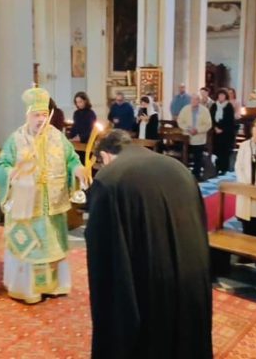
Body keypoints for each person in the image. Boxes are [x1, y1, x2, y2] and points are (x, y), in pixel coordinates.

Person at [86, 129, 212, 358]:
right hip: (191, 277)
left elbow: (105, 263)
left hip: (150, 286)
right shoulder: (178, 168)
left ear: (105, 157)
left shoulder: (111, 179)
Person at [0, 87, 87, 304]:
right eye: (36, 115)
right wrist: (11, 173)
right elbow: (1, 165)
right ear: (27, 115)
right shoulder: (16, 139)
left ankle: (53, 286)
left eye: (44, 114)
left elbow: (71, 159)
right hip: (27, 207)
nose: (41, 119)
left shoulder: (57, 137)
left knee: (52, 246)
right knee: (31, 248)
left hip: (52, 206)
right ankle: (28, 289)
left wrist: (78, 170)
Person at [177, 95, 212, 180]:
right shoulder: (185, 109)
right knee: (185, 155)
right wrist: (188, 128)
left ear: (199, 101)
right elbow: (180, 121)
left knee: (198, 157)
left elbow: (208, 124)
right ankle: (185, 174)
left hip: (199, 137)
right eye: (192, 100)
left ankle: (197, 175)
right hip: (187, 136)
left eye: (196, 100)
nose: (194, 101)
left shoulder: (204, 110)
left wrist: (197, 130)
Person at [210, 89, 236, 175]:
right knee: (216, 150)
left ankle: (224, 169)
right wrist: (215, 127)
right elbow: (211, 118)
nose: (221, 97)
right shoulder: (214, 106)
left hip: (226, 133)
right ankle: (217, 168)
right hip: (216, 132)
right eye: (220, 95)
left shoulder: (229, 106)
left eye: (223, 95)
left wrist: (223, 129)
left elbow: (230, 120)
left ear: (225, 97)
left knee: (225, 151)